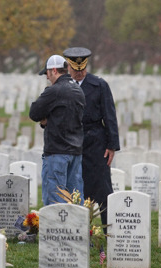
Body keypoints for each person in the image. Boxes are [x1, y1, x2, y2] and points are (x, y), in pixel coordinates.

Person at [63, 47, 120, 229]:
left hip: (96, 142)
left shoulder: (99, 85)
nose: (79, 73)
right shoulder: (62, 86)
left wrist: (112, 146)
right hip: (72, 141)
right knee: (75, 188)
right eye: (76, 70)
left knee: (103, 189)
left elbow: (109, 115)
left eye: (82, 70)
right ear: (69, 68)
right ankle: (77, 231)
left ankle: (106, 231)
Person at [29, 55, 86, 206]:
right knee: (75, 197)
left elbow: (34, 113)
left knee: (56, 200)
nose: (47, 78)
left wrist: (45, 120)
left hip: (57, 152)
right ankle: (76, 229)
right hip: (76, 151)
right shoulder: (78, 90)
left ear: (53, 70)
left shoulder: (54, 91)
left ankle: (57, 230)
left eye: (47, 73)